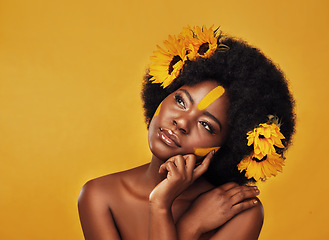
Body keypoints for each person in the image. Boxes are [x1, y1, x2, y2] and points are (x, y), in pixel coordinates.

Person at [78, 26, 295, 240]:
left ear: (227, 147)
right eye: (181, 101)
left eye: (206, 125)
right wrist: (189, 225)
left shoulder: (240, 211)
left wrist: (165, 209)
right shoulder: (98, 196)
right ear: (162, 95)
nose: (181, 122)